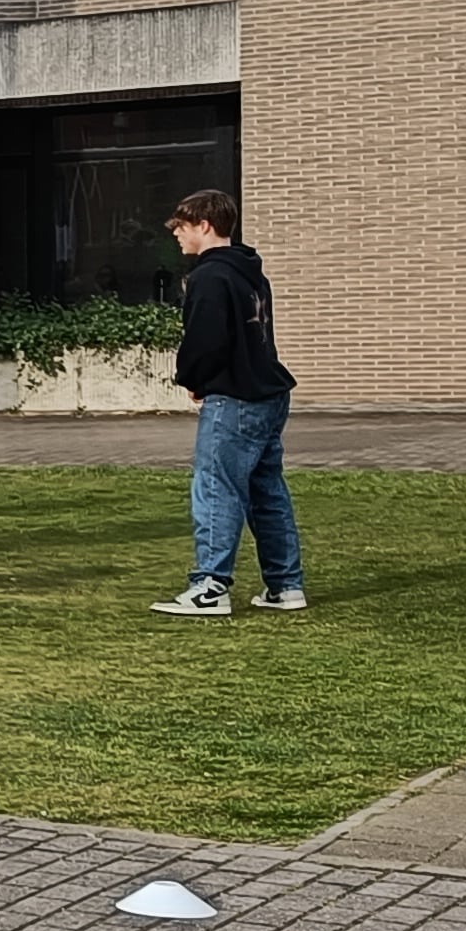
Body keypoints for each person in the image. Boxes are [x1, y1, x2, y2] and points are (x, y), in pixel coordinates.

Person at [157, 189, 305, 616]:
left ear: (205, 225)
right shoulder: (252, 273)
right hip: (269, 392)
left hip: (234, 397)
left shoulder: (209, 277)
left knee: (218, 486)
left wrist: (193, 380)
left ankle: (211, 586)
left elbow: (205, 340)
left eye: (181, 229)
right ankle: (285, 585)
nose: (177, 238)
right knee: (266, 490)